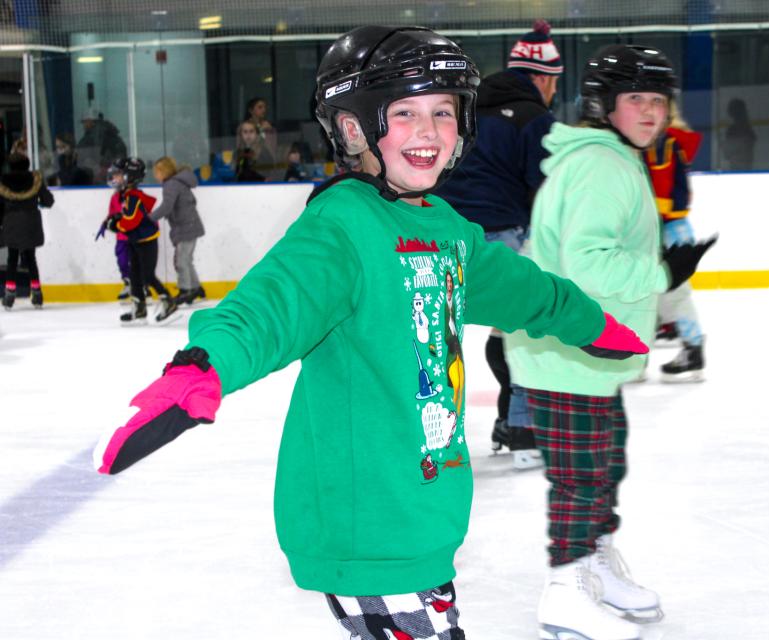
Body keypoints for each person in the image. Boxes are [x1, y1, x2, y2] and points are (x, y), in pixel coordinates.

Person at [93, 26, 652, 640]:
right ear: (354, 128)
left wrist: (587, 320)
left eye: (443, 112)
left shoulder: (445, 226)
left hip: (424, 505)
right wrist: (204, 366)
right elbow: (272, 304)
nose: (430, 132)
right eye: (405, 113)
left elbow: (519, 288)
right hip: (365, 519)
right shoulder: (342, 228)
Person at [504, 45, 716, 639]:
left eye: (657, 101)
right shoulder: (600, 165)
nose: (650, 112)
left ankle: (594, 562)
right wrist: (662, 274)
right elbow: (590, 263)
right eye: (635, 100)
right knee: (581, 473)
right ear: (604, 105)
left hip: (587, 350)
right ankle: (565, 586)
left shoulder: (614, 158)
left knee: (605, 462)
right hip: (565, 348)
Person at [434, 18, 562, 469]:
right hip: (503, 235)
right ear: (543, 79)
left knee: (438, 338)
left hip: (444, 236)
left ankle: (434, 433)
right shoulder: (535, 119)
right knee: (522, 329)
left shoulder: (464, 109)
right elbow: (541, 186)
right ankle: (522, 428)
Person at [643, 105, 709, 382]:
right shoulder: (666, 141)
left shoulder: (661, 143)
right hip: (670, 227)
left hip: (666, 229)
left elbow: (661, 193)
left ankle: (692, 350)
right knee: (652, 294)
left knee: (672, 294)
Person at [104, 157, 178, 324]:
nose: (115, 178)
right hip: (134, 240)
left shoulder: (134, 197)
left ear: (130, 177)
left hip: (146, 241)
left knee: (147, 275)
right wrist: (115, 219)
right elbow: (126, 218)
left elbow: (131, 220)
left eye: (119, 175)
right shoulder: (126, 195)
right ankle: (139, 308)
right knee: (134, 274)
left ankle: (168, 301)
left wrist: (116, 224)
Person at [150, 156, 206, 305]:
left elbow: (167, 206)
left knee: (182, 261)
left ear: (163, 171)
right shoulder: (178, 183)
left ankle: (185, 290)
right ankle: (196, 288)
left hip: (186, 227)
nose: (155, 176)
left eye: (156, 172)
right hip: (190, 226)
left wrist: (149, 218)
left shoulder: (171, 184)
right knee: (186, 260)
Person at [1, 153, 54, 310]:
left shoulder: (3, 182)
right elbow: (48, 201)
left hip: (11, 223)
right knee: (31, 258)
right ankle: (37, 294)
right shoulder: (35, 181)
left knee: (12, 258)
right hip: (31, 223)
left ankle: (9, 294)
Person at [76, 108, 128, 182]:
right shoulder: (112, 134)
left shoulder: (93, 136)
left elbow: (82, 157)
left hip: (99, 176)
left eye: (85, 122)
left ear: (91, 121)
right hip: (114, 176)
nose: (84, 125)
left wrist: (100, 168)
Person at [722, 98, 756, 170]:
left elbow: (727, 153)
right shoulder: (747, 129)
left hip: (739, 168)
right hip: (744, 167)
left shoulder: (735, 130)